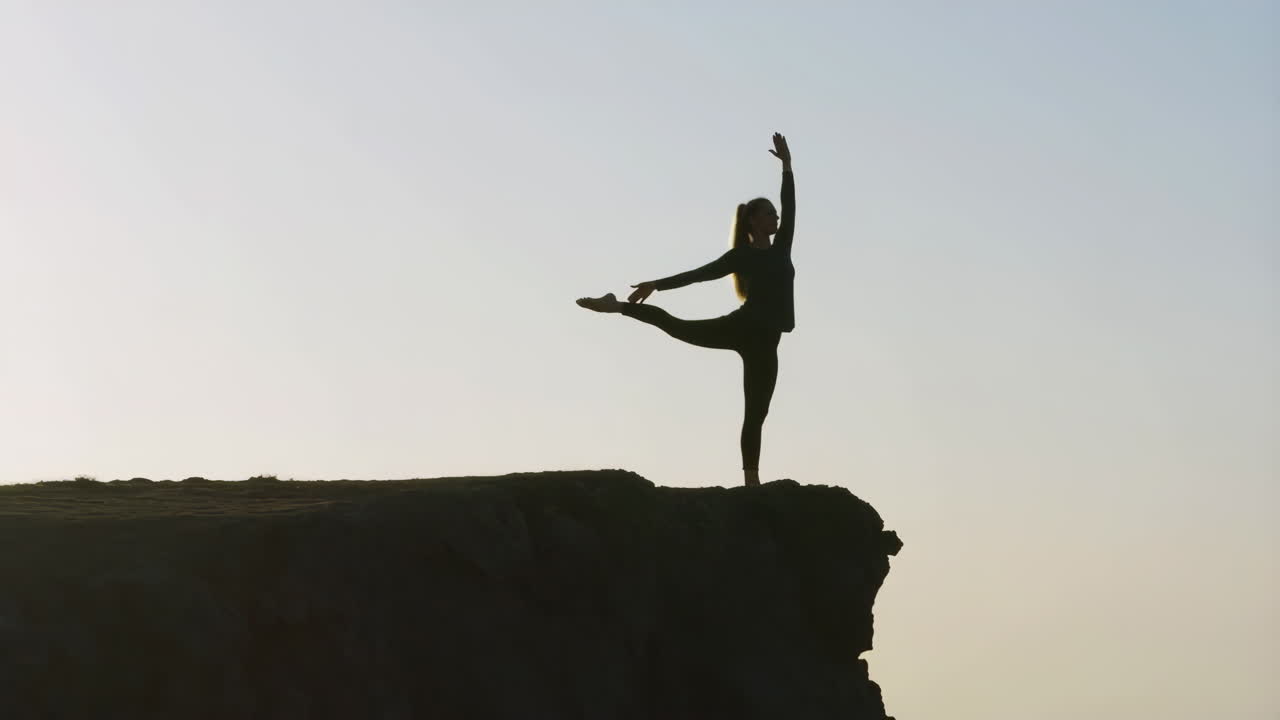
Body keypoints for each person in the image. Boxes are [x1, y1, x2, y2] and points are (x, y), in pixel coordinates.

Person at [577, 132, 796, 487]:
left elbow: (792, 204)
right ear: (754, 220)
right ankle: (615, 306)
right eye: (769, 213)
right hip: (743, 328)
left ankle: (751, 481)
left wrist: (787, 166)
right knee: (677, 326)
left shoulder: (781, 248)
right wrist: (656, 284)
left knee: (757, 412)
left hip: (768, 342)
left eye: (775, 214)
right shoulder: (741, 256)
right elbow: (699, 275)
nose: (776, 217)